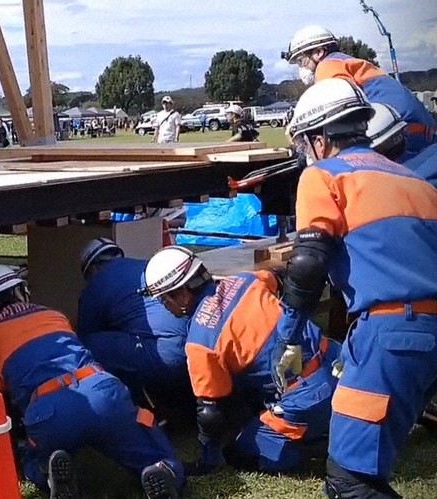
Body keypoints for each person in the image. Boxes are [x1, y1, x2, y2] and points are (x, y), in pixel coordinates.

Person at [284, 78, 437, 498]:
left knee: (351, 479)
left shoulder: (324, 176)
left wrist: (290, 335)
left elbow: (308, 261)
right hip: (424, 332)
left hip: (392, 334)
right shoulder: (415, 181)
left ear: (318, 138)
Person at [0, 264, 185, 499]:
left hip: (48, 411)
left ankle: (48, 473)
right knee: (144, 435)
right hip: (101, 391)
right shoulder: (53, 316)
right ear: (19, 290)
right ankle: (163, 470)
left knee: (31, 455)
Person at [141, 246, 340, 476]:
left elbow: (209, 413)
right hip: (339, 362)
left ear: (182, 294)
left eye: (164, 300)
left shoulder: (200, 341)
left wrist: (207, 460)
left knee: (240, 453)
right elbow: (279, 276)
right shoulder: (245, 280)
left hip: (309, 397)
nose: (165, 307)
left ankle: (319, 444)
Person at [283, 25, 435, 156]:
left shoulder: (327, 67)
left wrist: (304, 143)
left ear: (318, 53)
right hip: (421, 133)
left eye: (302, 61)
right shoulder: (346, 62)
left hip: (403, 139)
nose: (301, 69)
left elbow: (338, 116)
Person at [77, 238, 191, 409]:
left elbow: (84, 336)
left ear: (92, 268)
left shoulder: (96, 284)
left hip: (165, 357)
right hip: (193, 347)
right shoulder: (143, 265)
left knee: (88, 345)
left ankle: (137, 406)